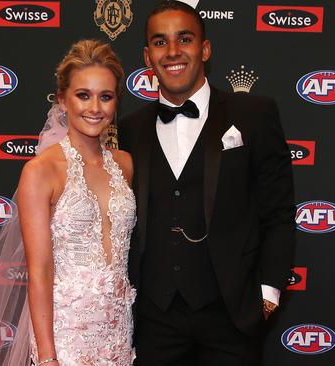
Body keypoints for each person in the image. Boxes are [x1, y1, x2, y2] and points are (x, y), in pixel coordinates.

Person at [119, 1, 296, 365]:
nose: (172, 52)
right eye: (159, 42)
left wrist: (267, 296)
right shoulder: (130, 129)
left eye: (184, 38)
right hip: (155, 320)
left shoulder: (255, 115)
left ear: (205, 48)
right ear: (147, 56)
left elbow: (278, 213)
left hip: (231, 316)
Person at [0, 39, 136, 366]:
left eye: (106, 96)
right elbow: (40, 271)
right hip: (65, 334)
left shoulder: (125, 165)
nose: (95, 108)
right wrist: (47, 358)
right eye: (83, 95)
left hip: (118, 330)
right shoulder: (40, 171)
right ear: (62, 100)